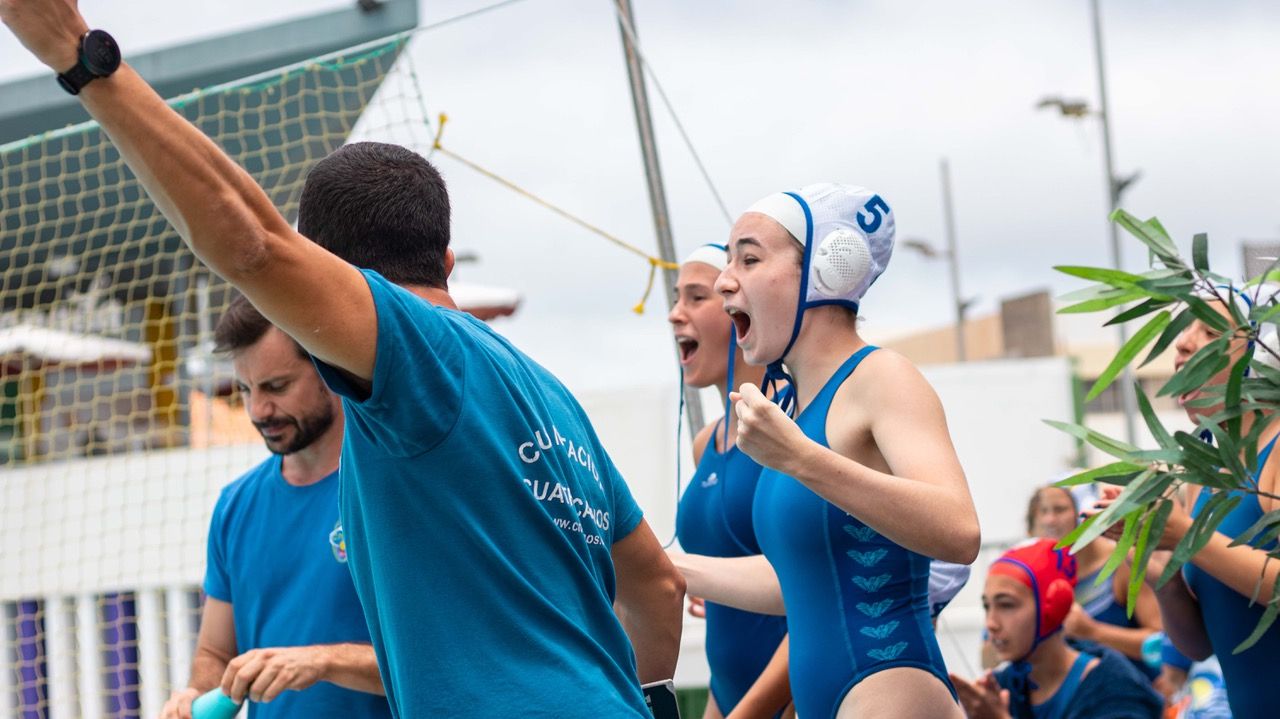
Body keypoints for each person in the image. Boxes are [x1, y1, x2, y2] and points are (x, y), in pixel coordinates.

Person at [0, 6, 686, 716]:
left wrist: (83, 60)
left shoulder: (420, 350)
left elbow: (254, 243)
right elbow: (658, 587)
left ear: (329, 274)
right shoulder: (547, 394)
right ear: (446, 258)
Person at [671, 184, 980, 718]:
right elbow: (801, 578)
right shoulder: (794, 410)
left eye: (748, 258)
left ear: (824, 272)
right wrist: (659, 565)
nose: (725, 280)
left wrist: (802, 459)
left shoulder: (881, 376)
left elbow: (959, 531)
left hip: (889, 687)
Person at [160, 297, 389, 719]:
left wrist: (322, 661)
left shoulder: (391, 491)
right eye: (245, 390)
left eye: (276, 387)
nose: (258, 410)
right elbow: (214, 651)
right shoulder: (235, 506)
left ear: (327, 370)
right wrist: (193, 695)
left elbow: (438, 659)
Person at [1092, 286, 1280, 719]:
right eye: (1182, 330)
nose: (1182, 342)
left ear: (1262, 355)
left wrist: (1189, 537)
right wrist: (1162, 571)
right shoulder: (1204, 478)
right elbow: (1199, 645)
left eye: (1208, 331)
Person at [670, 244, 791, 719]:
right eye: (677, 298)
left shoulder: (790, 424)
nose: (675, 314)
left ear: (738, 309)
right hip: (728, 696)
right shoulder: (706, 443)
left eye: (696, 298)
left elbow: (816, 588)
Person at [950, 539, 1163, 719]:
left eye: (1006, 605)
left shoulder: (1115, 690)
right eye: (987, 606)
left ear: (1053, 607)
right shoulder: (1007, 686)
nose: (991, 623)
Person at [1026, 485, 1163, 678]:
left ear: (1085, 514)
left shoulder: (1122, 563)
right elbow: (990, 655)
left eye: (1060, 509)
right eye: (1042, 511)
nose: (1050, 520)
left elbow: (1162, 644)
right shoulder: (1037, 577)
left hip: (1133, 692)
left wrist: (1093, 632)